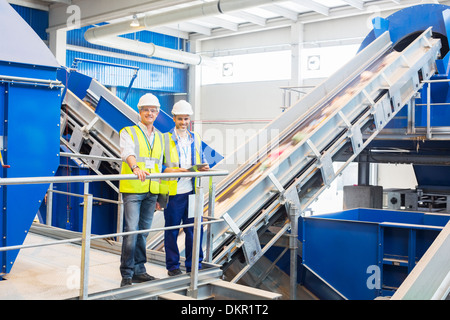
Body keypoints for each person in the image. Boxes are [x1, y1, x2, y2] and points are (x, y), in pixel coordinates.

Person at [118, 93, 165, 287]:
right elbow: (127, 152)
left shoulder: (160, 137)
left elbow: (161, 165)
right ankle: (127, 274)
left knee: (144, 232)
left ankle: (140, 270)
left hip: (151, 190)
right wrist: (135, 168)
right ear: (140, 111)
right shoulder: (128, 131)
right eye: (146, 110)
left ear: (157, 113)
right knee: (131, 231)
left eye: (153, 110)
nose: (150, 113)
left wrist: (160, 195)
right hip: (133, 188)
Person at [162, 100, 209, 276]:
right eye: (180, 119)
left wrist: (203, 166)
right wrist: (178, 170)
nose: (183, 122)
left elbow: (200, 158)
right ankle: (173, 266)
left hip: (192, 191)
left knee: (195, 228)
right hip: (174, 193)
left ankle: (194, 264)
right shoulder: (164, 139)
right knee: (171, 230)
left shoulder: (195, 138)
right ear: (173, 118)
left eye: (186, 119)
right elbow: (160, 167)